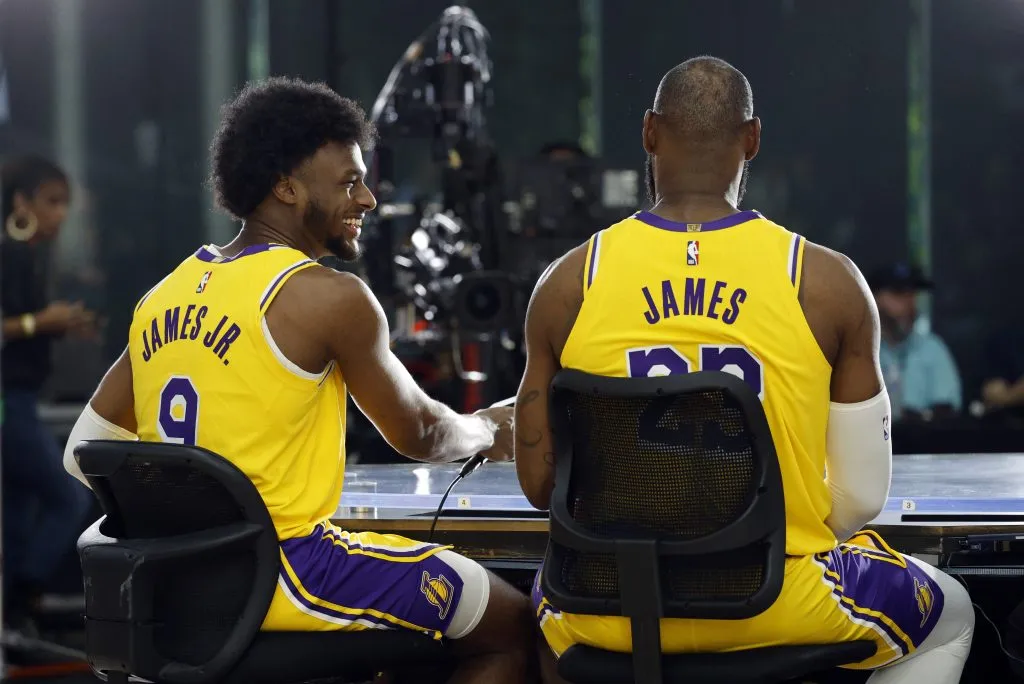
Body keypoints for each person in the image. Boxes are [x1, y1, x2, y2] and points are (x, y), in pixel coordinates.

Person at [514, 57, 974, 684]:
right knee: (954, 613)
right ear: (753, 138)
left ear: (649, 133)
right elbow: (862, 498)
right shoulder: (824, 281)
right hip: (774, 599)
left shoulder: (569, 283)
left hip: (606, 608)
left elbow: (541, 489)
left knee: (538, 602)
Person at [63, 78, 534, 683]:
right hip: (292, 570)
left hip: (176, 592)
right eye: (348, 182)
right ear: (285, 187)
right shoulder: (329, 298)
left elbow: (85, 452)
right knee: (511, 622)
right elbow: (419, 433)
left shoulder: (164, 296)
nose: (368, 197)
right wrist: (485, 429)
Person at [1, 156, 95, 629]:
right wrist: (44, 322)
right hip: (8, 403)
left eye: (65, 204)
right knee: (68, 498)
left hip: (19, 400)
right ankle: (23, 596)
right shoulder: (8, 254)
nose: (61, 214)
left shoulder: (28, 258)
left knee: (17, 511)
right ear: (22, 203)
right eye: (52, 202)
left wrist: (57, 325)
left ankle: (14, 619)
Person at [868, 263, 962, 421]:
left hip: (923, 442)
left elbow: (948, 409)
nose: (909, 303)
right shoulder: (860, 349)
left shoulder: (932, 348)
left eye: (912, 294)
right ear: (873, 298)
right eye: (898, 293)